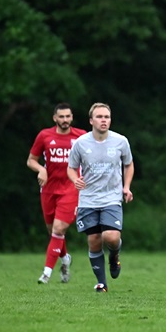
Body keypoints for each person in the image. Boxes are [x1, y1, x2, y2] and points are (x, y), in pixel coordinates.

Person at [67, 103, 134, 292]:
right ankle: (102, 283)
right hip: (88, 199)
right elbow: (71, 167)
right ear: (91, 120)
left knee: (111, 237)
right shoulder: (81, 143)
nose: (103, 120)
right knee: (94, 239)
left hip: (111, 198)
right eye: (99, 117)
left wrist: (126, 187)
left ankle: (114, 256)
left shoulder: (120, 141)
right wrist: (75, 180)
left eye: (106, 117)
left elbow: (128, 164)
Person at [27, 102, 88, 284]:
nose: (65, 120)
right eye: (61, 117)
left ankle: (46, 273)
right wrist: (41, 169)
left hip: (71, 189)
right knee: (53, 231)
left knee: (59, 228)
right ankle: (65, 259)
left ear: (72, 117)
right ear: (55, 118)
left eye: (68, 116)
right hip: (48, 189)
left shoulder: (81, 136)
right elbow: (31, 160)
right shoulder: (45, 136)